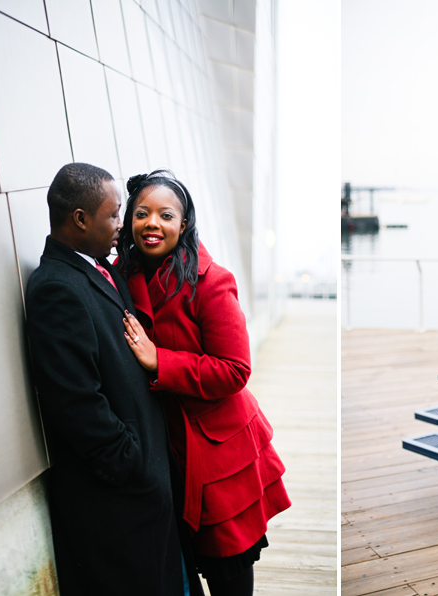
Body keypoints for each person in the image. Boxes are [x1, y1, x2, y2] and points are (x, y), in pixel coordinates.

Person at [25, 163, 202, 595]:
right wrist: (134, 465)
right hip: (121, 504)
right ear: (81, 219)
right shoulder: (56, 289)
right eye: (114, 214)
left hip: (149, 495)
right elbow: (77, 404)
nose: (121, 224)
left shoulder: (99, 268)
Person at [115, 170, 291, 596]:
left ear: (184, 224)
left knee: (226, 569)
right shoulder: (121, 275)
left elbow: (235, 369)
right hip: (161, 445)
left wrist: (161, 361)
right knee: (178, 567)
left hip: (217, 449)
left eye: (165, 215)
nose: (152, 224)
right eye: (142, 214)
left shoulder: (211, 281)